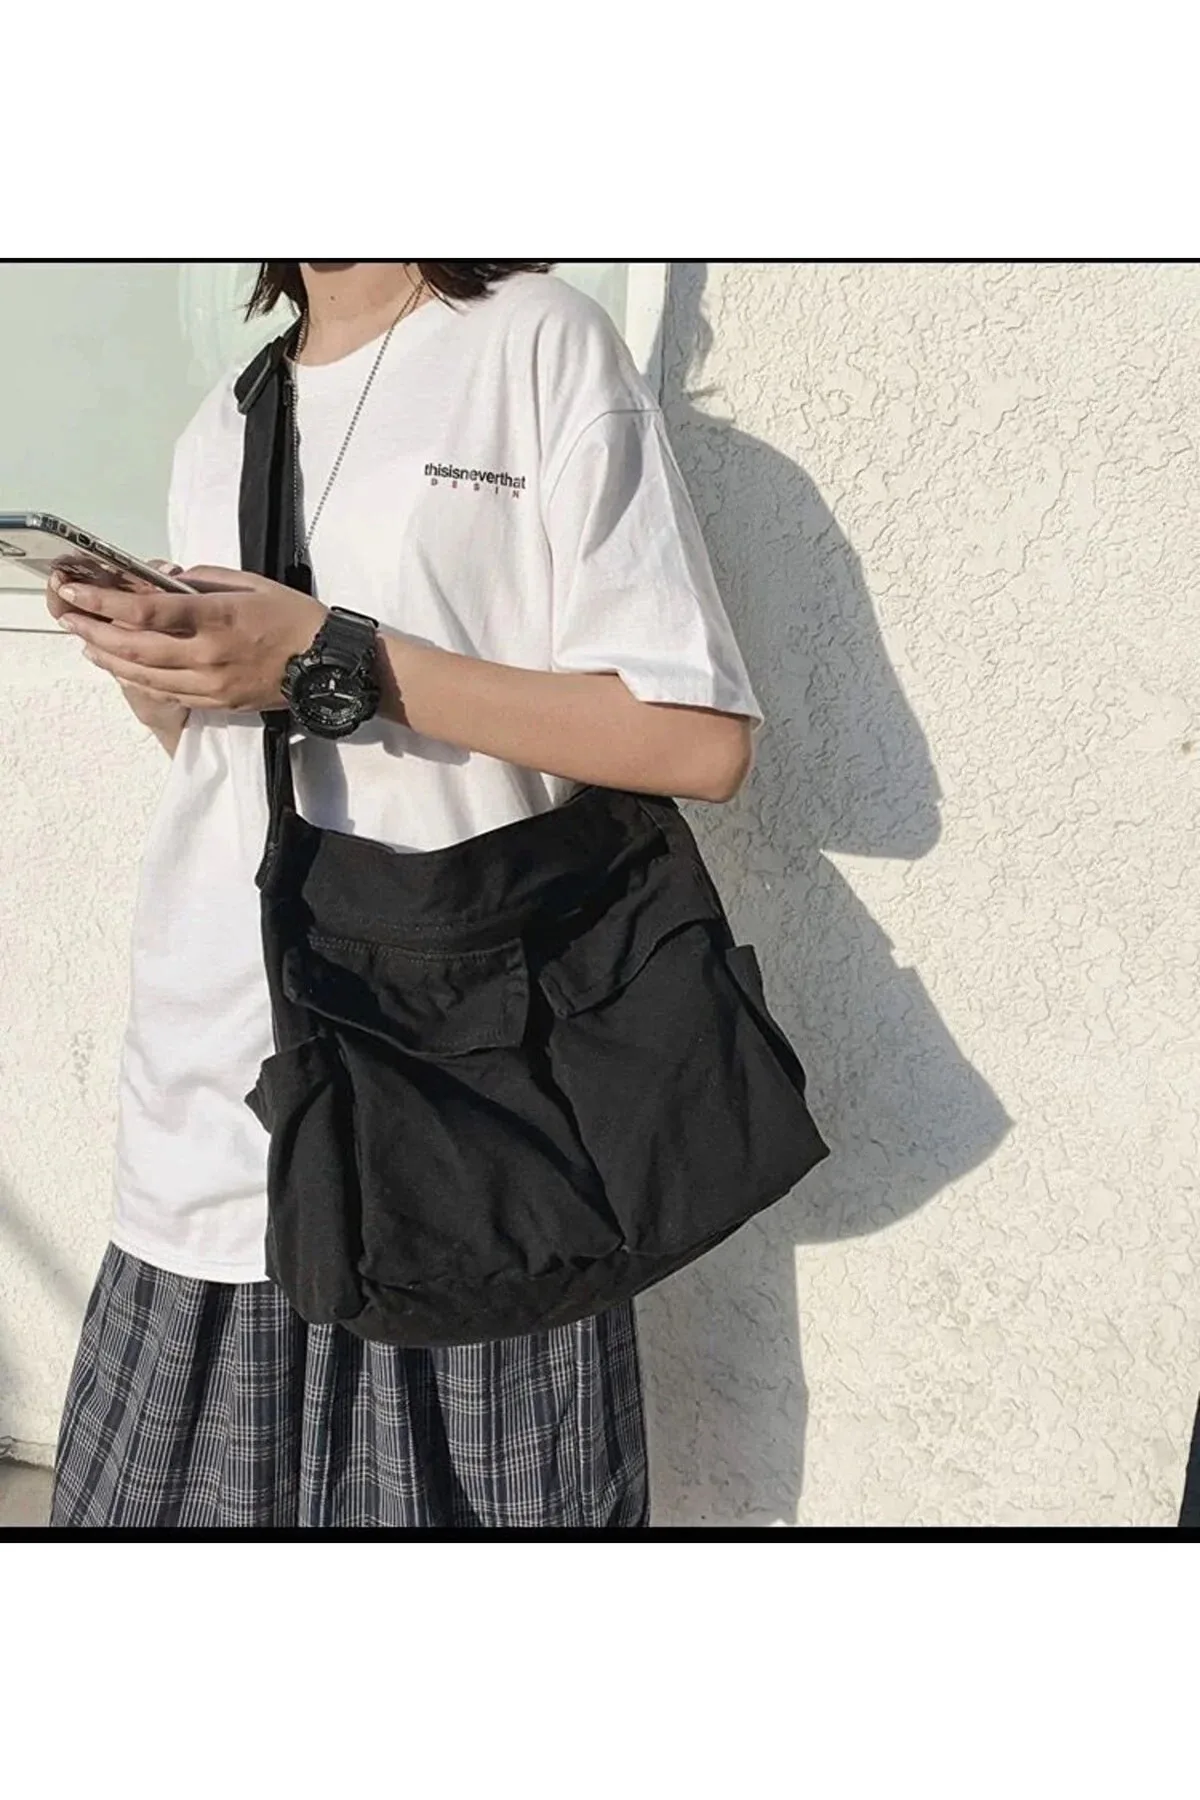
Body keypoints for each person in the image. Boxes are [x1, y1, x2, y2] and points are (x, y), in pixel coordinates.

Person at [46, 260, 764, 1530]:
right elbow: (238, 775)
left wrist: (330, 654)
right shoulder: (226, 419)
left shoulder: (533, 342)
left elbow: (696, 741)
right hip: (218, 1086)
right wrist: (167, 679)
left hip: (464, 1098)